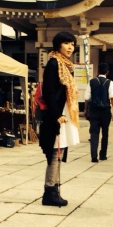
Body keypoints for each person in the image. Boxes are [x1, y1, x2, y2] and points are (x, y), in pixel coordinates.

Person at [39, 31, 80, 207]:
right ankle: (49, 191)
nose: (70, 47)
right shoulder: (54, 64)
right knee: (54, 154)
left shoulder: (65, 64)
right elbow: (49, 92)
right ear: (58, 45)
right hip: (56, 117)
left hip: (62, 115)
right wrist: (57, 115)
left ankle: (55, 190)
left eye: (72, 44)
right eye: (66, 43)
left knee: (59, 152)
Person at [85, 62, 113, 162]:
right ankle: (103, 154)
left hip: (93, 111)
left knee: (94, 133)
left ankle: (94, 155)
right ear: (107, 72)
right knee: (105, 133)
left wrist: (86, 110)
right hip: (105, 111)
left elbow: (86, 98)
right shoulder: (109, 82)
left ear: (97, 71)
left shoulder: (92, 82)